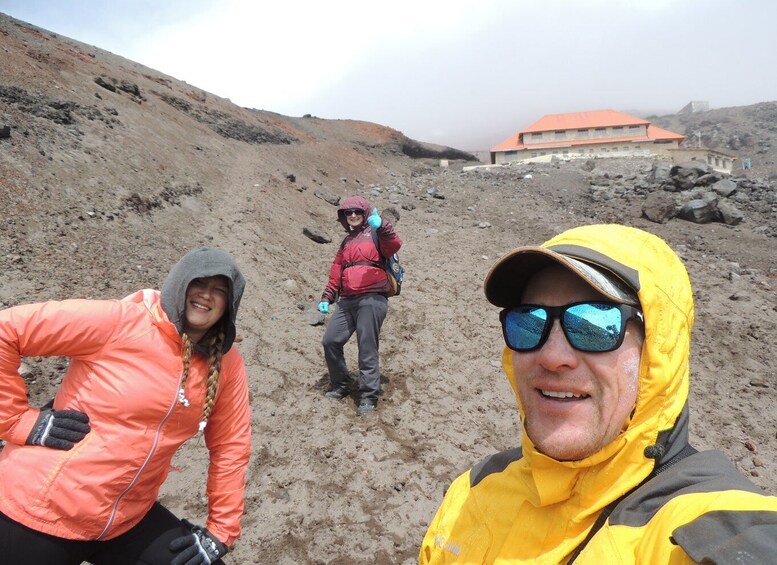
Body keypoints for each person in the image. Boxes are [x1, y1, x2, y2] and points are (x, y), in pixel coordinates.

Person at [420, 224, 777, 564]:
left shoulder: (699, 525)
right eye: (528, 321)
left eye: (594, 324)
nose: (551, 356)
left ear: (658, 352)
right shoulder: (473, 489)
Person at [0, 247, 251, 565]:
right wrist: (17, 420)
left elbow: (231, 445)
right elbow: (5, 330)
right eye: (199, 283)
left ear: (229, 305)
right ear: (179, 283)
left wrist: (221, 532)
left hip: (125, 518)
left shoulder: (227, 363)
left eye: (220, 290)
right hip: (41, 509)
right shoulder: (121, 322)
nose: (206, 295)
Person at [318, 196, 402, 416]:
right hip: (347, 300)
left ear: (365, 213)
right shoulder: (346, 243)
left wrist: (382, 226)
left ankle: (368, 396)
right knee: (330, 340)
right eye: (348, 212)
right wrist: (327, 297)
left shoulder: (376, 233)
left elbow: (394, 244)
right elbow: (337, 270)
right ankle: (341, 384)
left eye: (357, 211)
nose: (353, 215)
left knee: (366, 346)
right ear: (343, 217)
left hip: (373, 298)